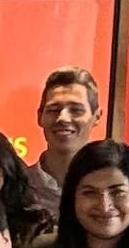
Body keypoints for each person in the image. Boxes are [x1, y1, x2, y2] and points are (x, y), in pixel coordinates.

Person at [22, 67, 102, 216]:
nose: (63, 118)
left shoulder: (111, 189)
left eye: (76, 110)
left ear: (97, 116)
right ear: (40, 117)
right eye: (54, 109)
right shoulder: (16, 188)